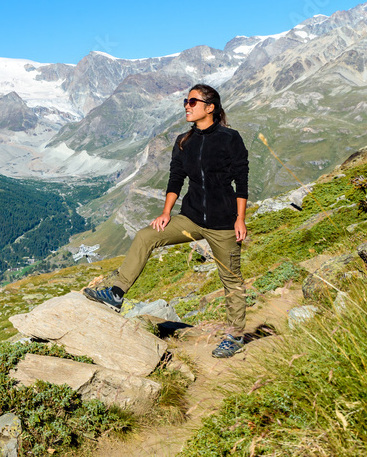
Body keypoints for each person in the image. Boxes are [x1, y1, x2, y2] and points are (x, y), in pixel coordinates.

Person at [84, 83, 250, 358]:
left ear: (210, 108)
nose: (187, 105)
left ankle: (234, 336)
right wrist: (166, 212)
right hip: (192, 217)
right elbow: (176, 177)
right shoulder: (184, 141)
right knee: (146, 236)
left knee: (231, 279)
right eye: (186, 101)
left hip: (224, 222)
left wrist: (240, 219)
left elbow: (241, 180)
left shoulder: (230, 139)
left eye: (193, 101)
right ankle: (116, 293)